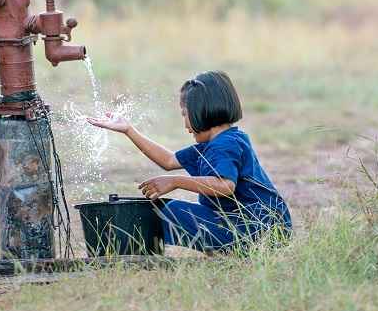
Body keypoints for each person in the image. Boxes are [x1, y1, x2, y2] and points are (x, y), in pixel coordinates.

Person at [88, 70, 292, 253]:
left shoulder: (224, 145)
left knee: (167, 211)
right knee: (181, 209)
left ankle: (136, 254)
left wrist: (176, 181)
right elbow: (168, 160)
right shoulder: (218, 143)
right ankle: (227, 250)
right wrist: (128, 130)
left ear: (200, 111)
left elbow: (225, 186)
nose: (185, 123)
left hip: (258, 228)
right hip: (261, 226)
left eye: (185, 115)